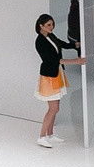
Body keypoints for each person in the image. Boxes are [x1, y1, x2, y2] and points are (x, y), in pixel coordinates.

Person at [34, 12, 81, 148]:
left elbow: (61, 44)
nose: (52, 27)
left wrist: (74, 45)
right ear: (41, 26)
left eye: (52, 24)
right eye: (48, 25)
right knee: (53, 109)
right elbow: (53, 60)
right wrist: (76, 61)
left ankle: (50, 134)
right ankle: (41, 136)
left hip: (57, 73)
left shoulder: (50, 36)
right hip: (49, 76)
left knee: (55, 108)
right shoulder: (40, 42)